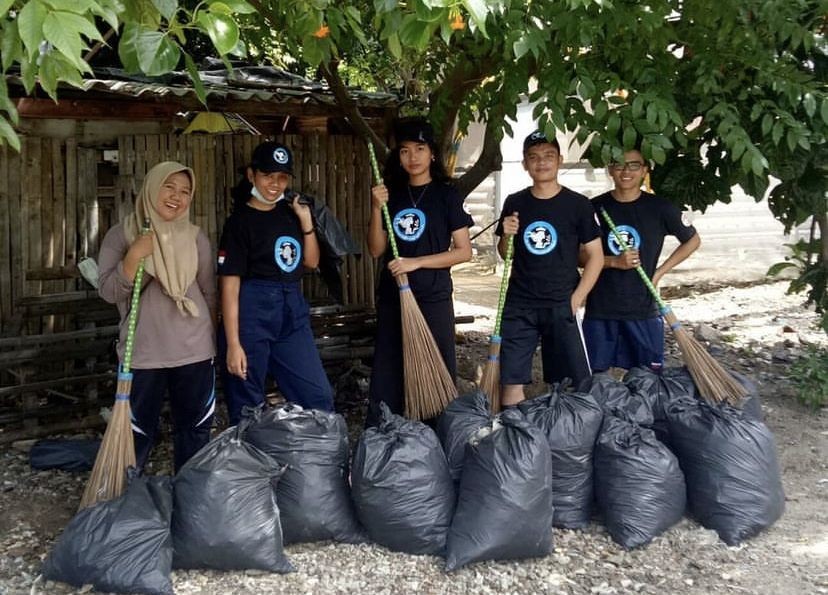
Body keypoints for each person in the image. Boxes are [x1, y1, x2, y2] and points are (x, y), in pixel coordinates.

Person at [98, 161, 216, 472]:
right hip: (143, 355)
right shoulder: (121, 235)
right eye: (169, 187)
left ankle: (192, 499)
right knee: (136, 434)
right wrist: (135, 255)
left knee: (194, 431)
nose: (177, 196)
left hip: (194, 351)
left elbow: (209, 294)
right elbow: (109, 292)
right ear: (152, 187)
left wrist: (214, 341)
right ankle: (127, 502)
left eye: (185, 191)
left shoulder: (194, 237)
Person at [366, 117, 473, 426]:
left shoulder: (446, 194)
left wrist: (417, 262)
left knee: (436, 371)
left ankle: (435, 443)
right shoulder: (392, 195)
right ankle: (385, 438)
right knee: (389, 371)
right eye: (404, 150)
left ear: (433, 154)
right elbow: (375, 249)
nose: (412, 157)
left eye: (420, 149)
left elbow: (463, 251)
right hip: (394, 298)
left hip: (433, 297)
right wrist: (375, 209)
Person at [217, 141, 333, 425]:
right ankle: (251, 464)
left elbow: (312, 262)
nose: (275, 184)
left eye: (282, 177)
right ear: (251, 175)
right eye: (268, 175)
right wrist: (233, 343)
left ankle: (316, 464)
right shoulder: (239, 223)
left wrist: (305, 221)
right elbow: (229, 287)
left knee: (318, 397)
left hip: (291, 311)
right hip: (252, 313)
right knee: (247, 404)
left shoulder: (290, 214)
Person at [495, 130, 604, 407]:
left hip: (561, 302)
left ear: (560, 161)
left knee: (571, 382)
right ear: (524, 164)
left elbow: (596, 257)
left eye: (548, 156)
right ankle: (517, 439)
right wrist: (507, 235)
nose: (541, 162)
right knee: (511, 378)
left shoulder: (578, 204)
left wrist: (576, 299)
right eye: (534, 157)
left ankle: (568, 438)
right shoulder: (515, 202)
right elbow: (505, 254)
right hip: (520, 304)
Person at [583, 148, 700, 373]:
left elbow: (692, 241)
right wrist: (612, 261)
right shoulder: (593, 208)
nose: (626, 171)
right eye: (619, 165)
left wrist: (659, 272)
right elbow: (577, 254)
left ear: (645, 170)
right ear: (610, 170)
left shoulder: (660, 207)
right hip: (600, 309)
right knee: (594, 378)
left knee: (648, 378)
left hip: (644, 308)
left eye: (634, 165)